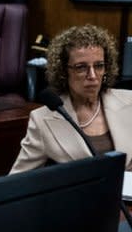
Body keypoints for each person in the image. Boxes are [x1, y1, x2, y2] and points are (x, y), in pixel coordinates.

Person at [11, 24, 132, 173]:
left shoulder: (129, 102)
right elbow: (17, 181)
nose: (93, 76)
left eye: (99, 66)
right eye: (81, 67)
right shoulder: (42, 121)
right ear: (63, 71)